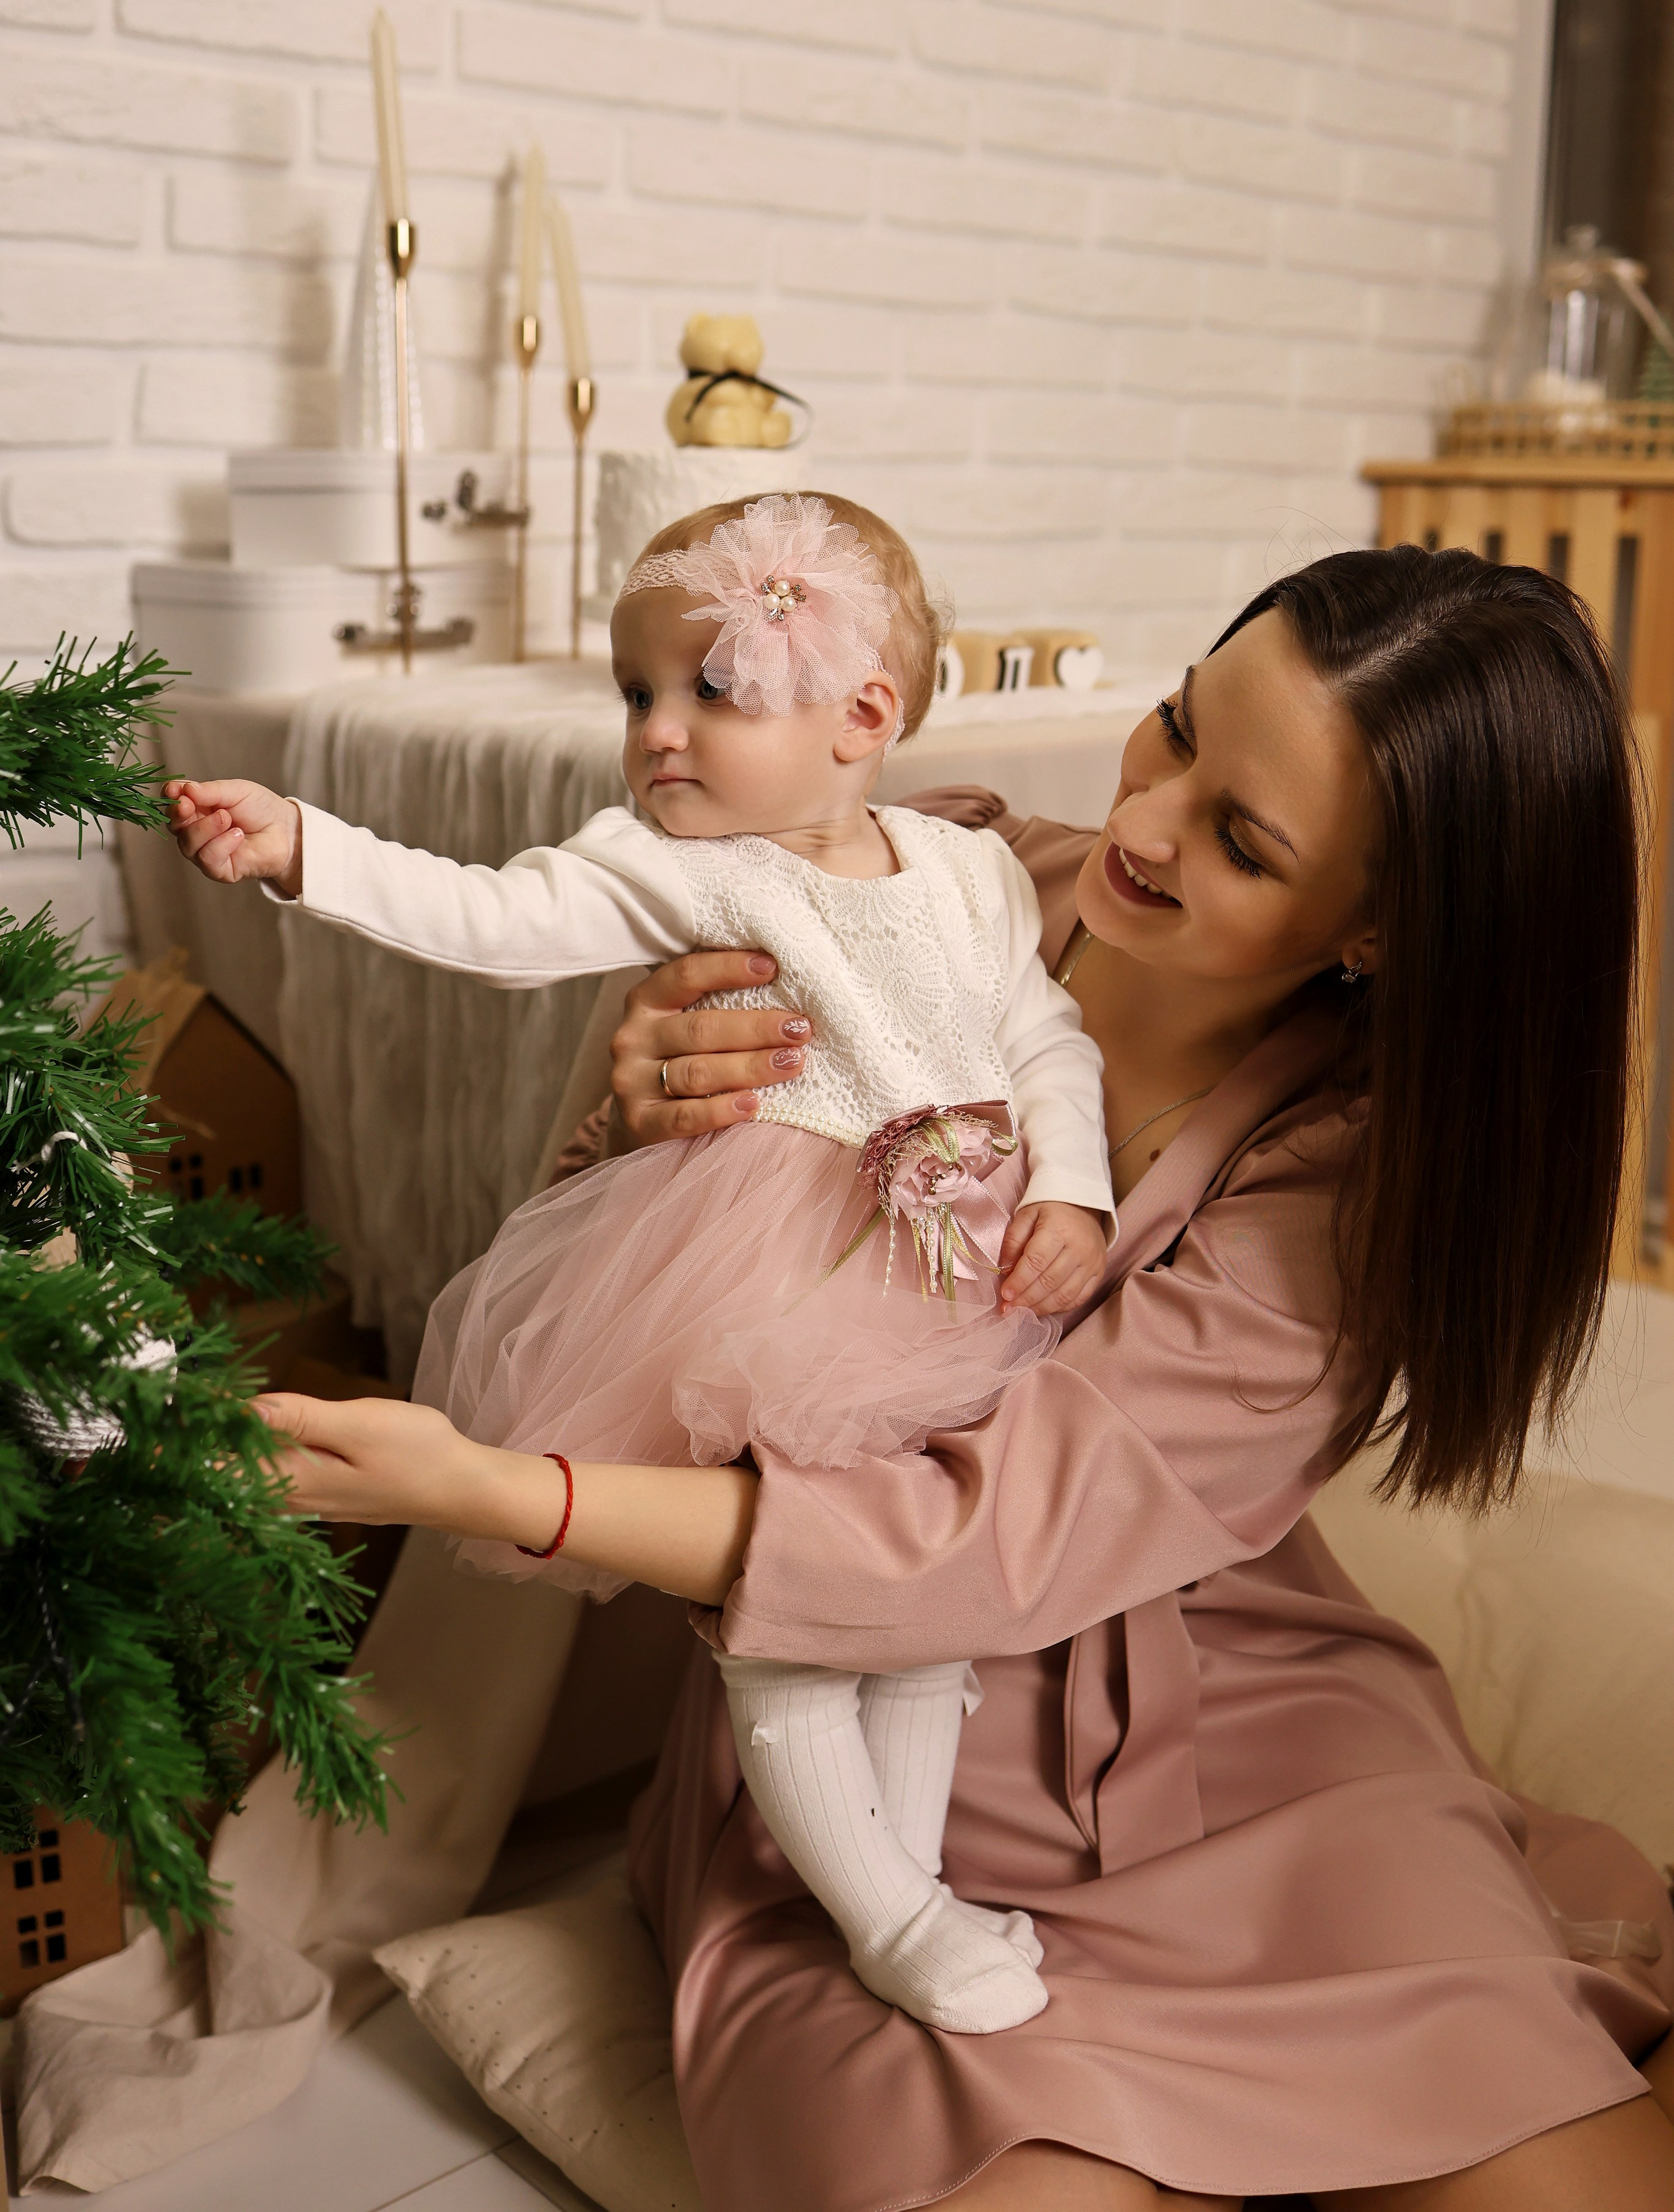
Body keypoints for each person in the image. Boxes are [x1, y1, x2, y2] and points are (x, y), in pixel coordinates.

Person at [232, 545, 1674, 2208]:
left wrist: (505, 1502)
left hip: (1243, 1729)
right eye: (1175, 730)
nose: (1143, 824)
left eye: (1240, 839)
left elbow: (995, 1537)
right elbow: (642, 1305)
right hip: (862, 1793)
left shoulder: (1349, 1174)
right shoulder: (933, 872)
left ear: (1376, 932)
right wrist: (631, 1119)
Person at [165, 489, 1116, 2039]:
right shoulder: (679, 865)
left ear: (859, 716)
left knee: (925, 1603)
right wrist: (302, 850)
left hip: (956, 1265)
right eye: (636, 696)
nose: (656, 733)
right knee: (792, 1590)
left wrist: (1069, 1188)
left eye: (709, 692)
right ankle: (884, 1918)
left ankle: (913, 1877)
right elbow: (483, 911)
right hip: (777, 1274)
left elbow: (1043, 1039)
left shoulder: (967, 873)